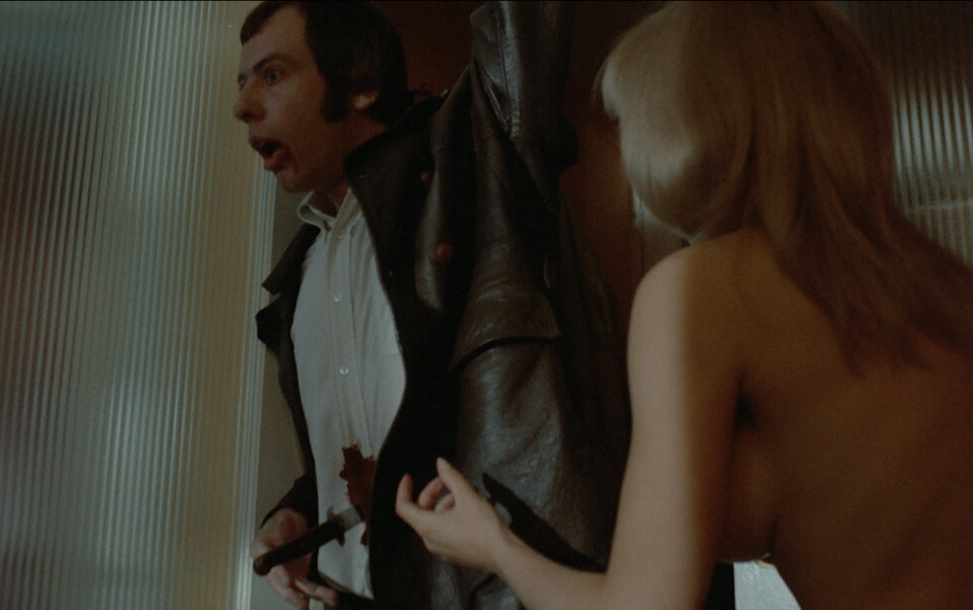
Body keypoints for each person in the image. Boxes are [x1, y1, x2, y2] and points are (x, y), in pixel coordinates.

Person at [396, 2, 973, 609]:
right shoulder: (944, 284)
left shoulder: (702, 288)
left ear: (687, 131)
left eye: (631, 123)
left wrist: (495, 547)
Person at [234, 2, 645, 608]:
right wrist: (300, 512)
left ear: (361, 82)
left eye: (272, 75)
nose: (242, 105)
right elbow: (383, 442)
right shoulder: (299, 279)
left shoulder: (478, 167)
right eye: (242, 81)